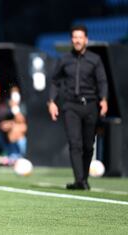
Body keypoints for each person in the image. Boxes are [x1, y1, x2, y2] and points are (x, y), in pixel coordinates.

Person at [48, 25, 108, 190]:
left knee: (88, 145)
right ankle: (79, 181)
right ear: (71, 40)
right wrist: (51, 101)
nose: (77, 40)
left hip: (90, 105)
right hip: (70, 106)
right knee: (75, 144)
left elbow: (102, 81)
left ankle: (84, 179)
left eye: (80, 37)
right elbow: (55, 81)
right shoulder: (64, 59)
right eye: (74, 37)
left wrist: (104, 99)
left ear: (86, 40)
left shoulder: (95, 60)